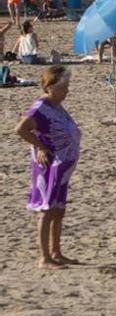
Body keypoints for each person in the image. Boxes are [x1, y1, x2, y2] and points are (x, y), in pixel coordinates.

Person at [14, 66, 81, 269]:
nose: (67, 91)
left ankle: (56, 252)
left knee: (58, 209)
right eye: (63, 87)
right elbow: (21, 129)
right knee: (47, 209)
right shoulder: (40, 107)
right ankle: (44, 258)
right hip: (49, 167)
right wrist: (40, 146)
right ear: (50, 87)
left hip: (63, 168)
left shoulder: (55, 104)